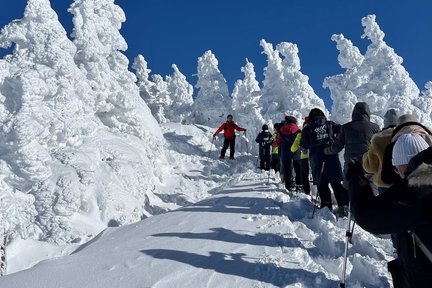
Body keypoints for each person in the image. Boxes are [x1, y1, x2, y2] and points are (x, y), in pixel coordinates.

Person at [346, 133, 432, 287]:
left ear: (403, 165)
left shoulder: (418, 187)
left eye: (397, 167)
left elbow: (368, 215)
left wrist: (355, 178)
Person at [324, 102, 380, 190]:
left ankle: (349, 202)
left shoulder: (346, 127)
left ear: (354, 113)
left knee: (351, 190)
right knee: (370, 190)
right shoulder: (375, 127)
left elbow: (336, 147)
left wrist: (326, 150)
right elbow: (379, 147)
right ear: (368, 114)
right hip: (369, 163)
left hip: (351, 164)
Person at [300, 108, 347, 212]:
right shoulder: (329, 124)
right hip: (332, 156)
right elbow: (342, 130)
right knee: (336, 182)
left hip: (317, 160)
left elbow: (304, 146)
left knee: (322, 183)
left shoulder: (307, 129)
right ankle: (343, 205)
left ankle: (326, 207)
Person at [362, 108, 399, 193]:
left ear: (385, 123)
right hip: (403, 183)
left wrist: (365, 156)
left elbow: (370, 167)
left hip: (384, 183)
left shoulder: (378, 140)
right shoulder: (406, 136)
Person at [276, 115, 300, 191]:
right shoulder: (298, 130)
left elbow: (278, 142)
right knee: (298, 168)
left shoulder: (281, 130)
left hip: (285, 152)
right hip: (296, 151)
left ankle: (288, 186)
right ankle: (299, 184)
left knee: (287, 169)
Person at [290, 116, 311, 195]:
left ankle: (307, 192)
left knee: (305, 175)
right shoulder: (315, 132)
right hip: (316, 156)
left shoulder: (300, 134)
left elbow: (293, 148)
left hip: (304, 157)